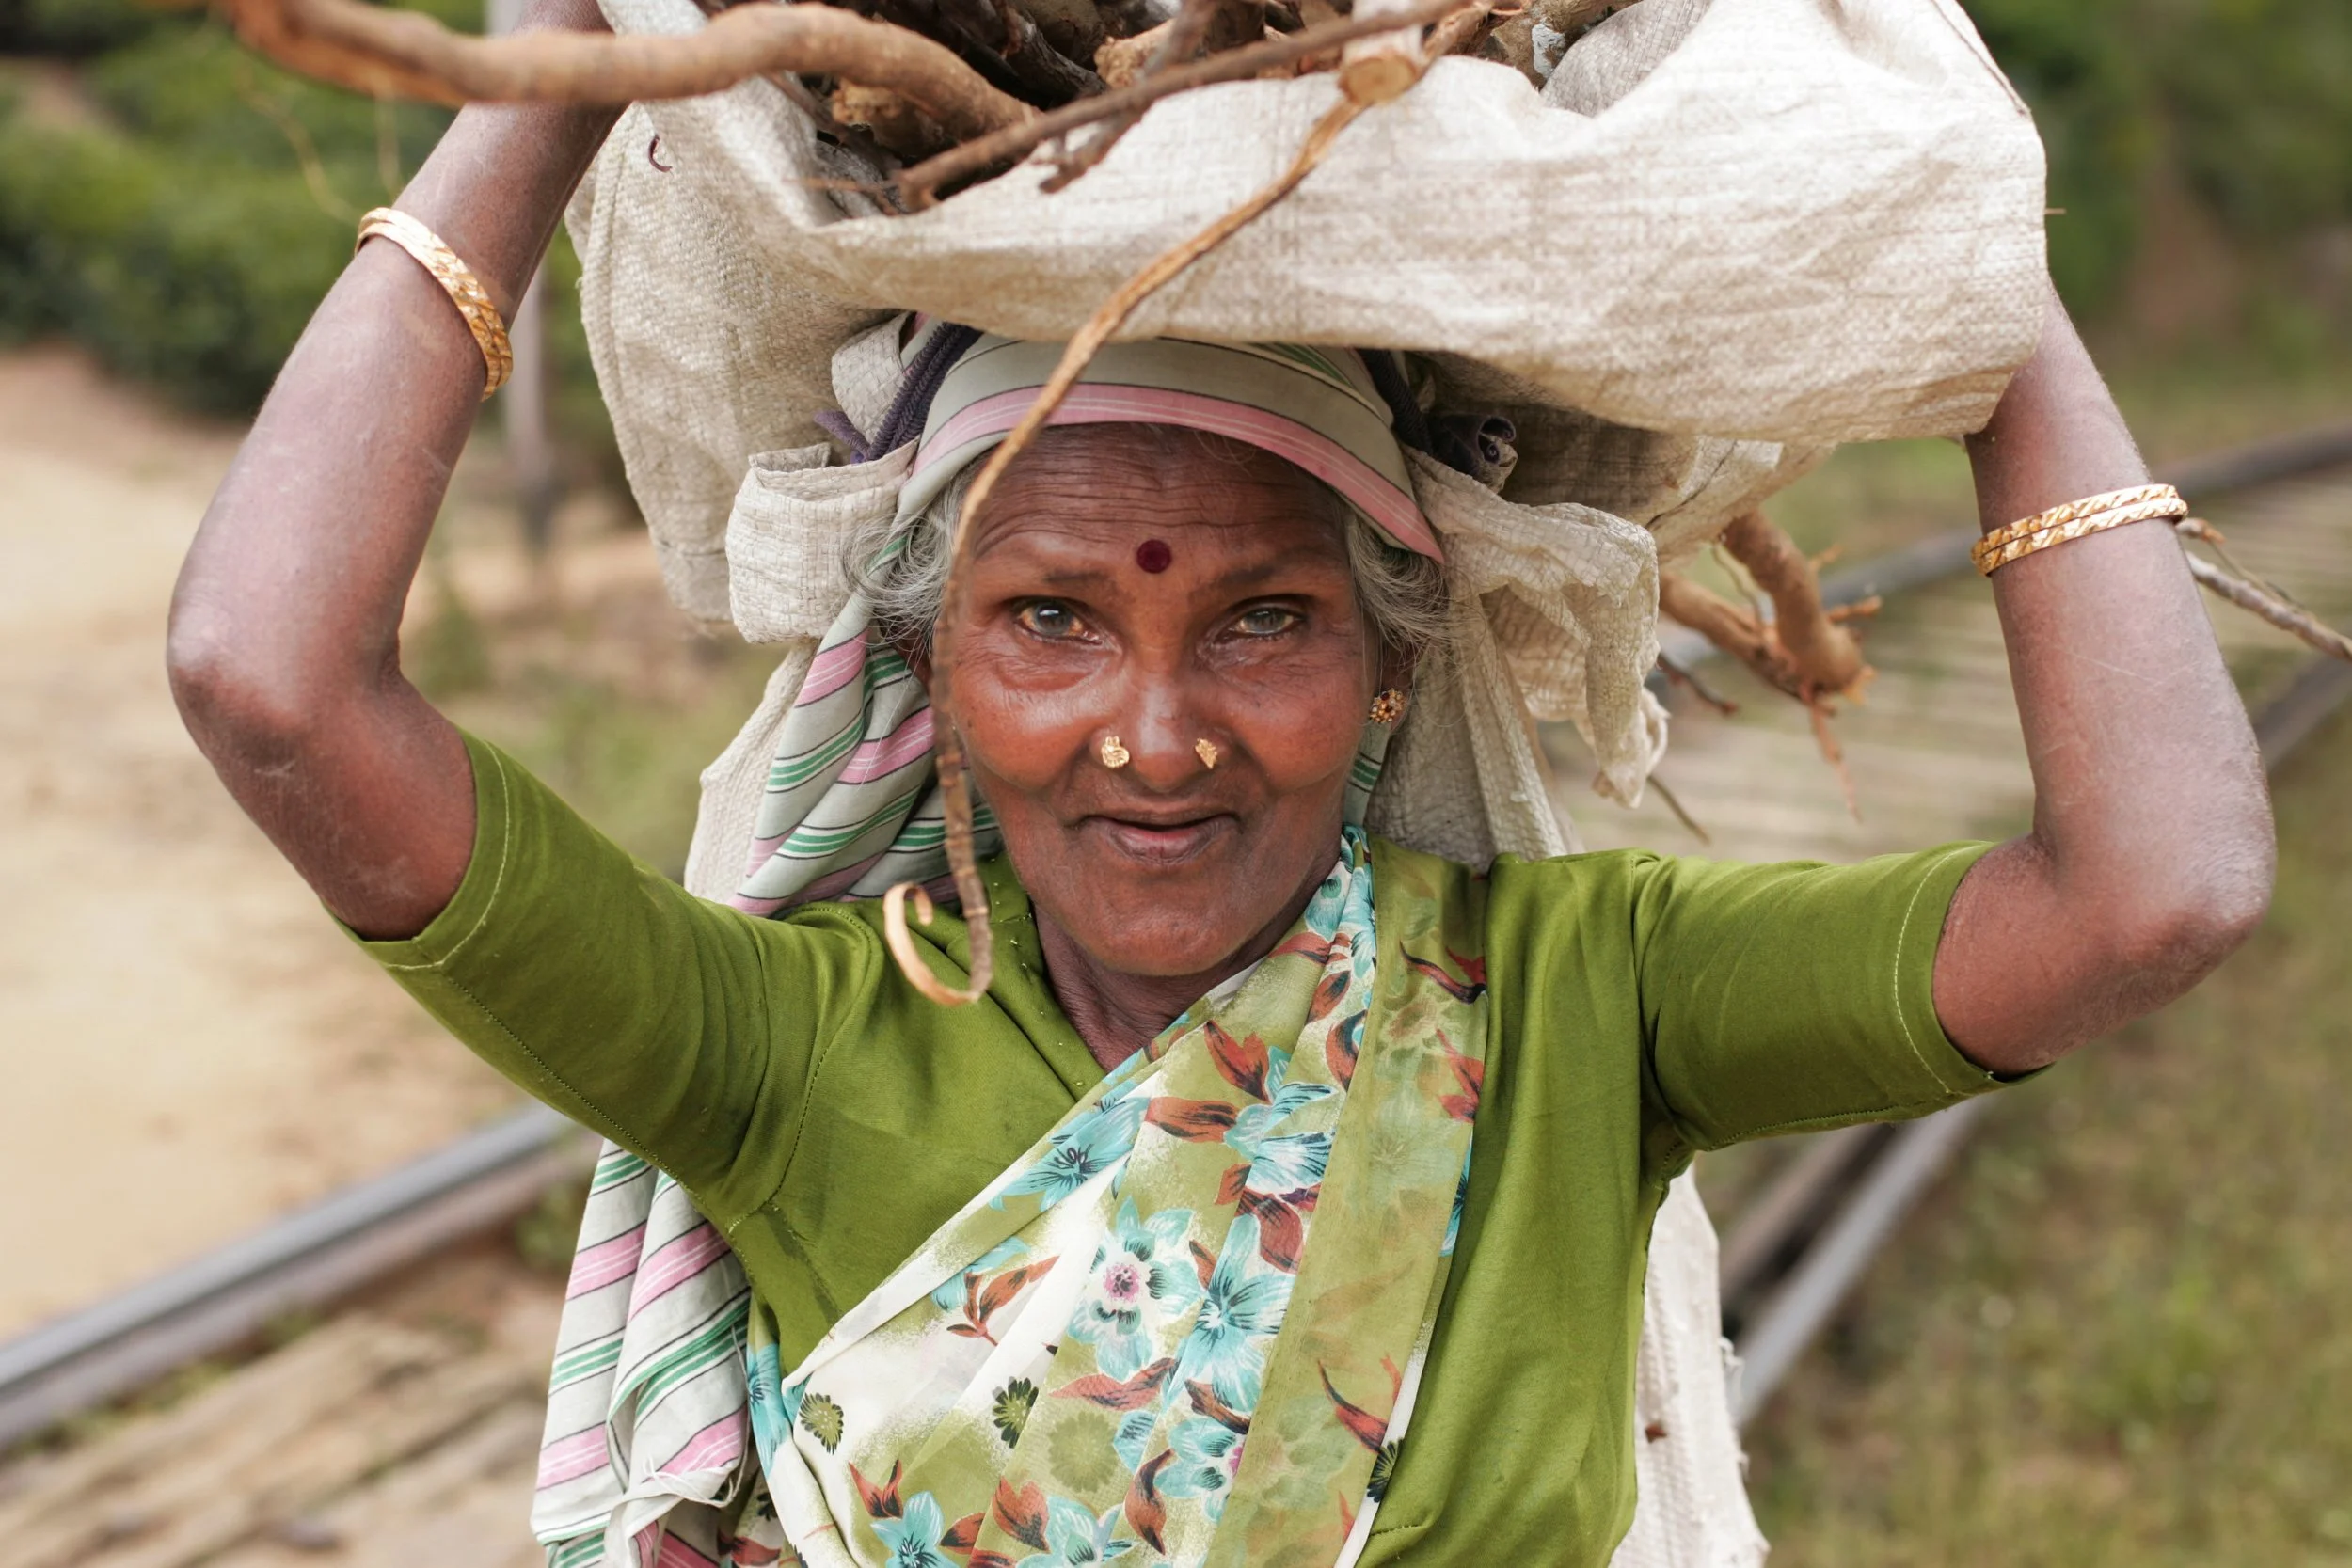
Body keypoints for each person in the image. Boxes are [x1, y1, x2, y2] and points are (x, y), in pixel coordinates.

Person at [166, 4, 2274, 1563]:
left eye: (1258, 619)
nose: (1151, 734)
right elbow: (269, 683)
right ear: (930, 657)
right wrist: (554, 74)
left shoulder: (1569, 1007)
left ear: (1382, 664)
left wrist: (1959, 239)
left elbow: (2148, 891)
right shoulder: (790, 1054)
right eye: (1050, 619)